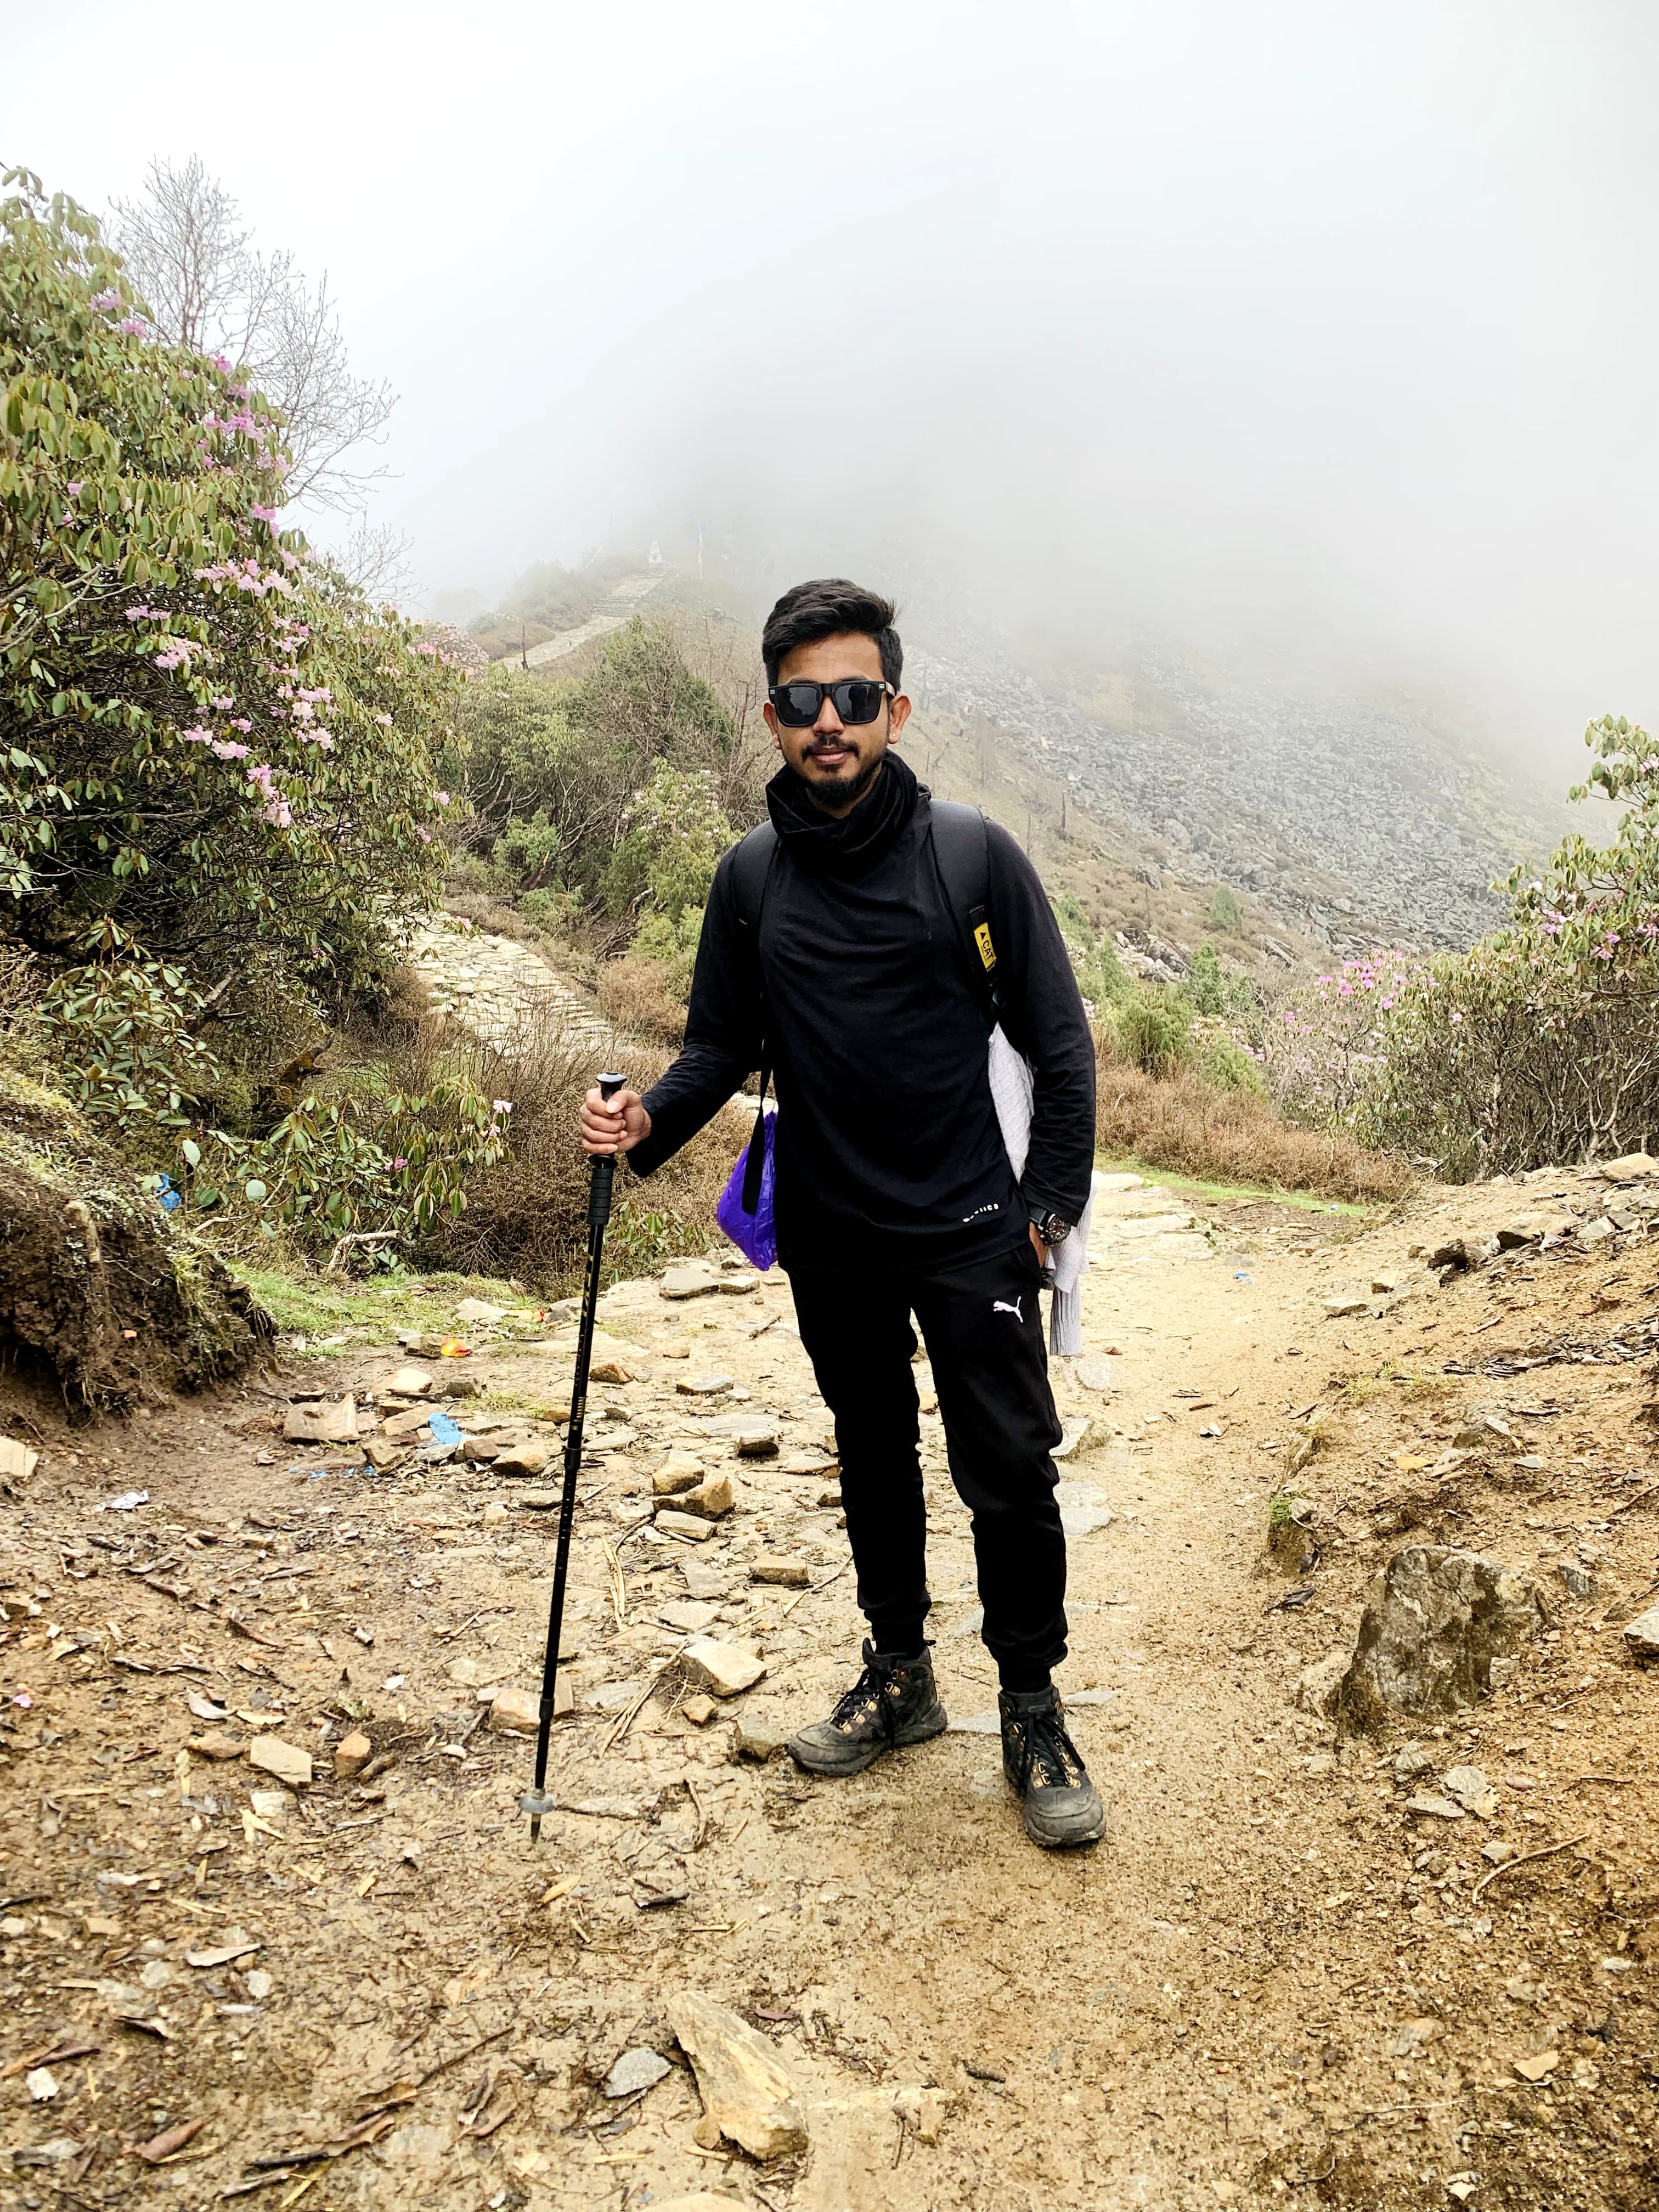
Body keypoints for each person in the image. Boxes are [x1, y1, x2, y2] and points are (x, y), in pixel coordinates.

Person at [580, 578, 1103, 1848]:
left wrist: (1051, 1207)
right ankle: (904, 1675)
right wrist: (647, 1118)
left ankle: (1031, 1705)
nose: (832, 721)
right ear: (771, 718)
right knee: (870, 1453)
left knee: (1008, 1473)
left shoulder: (972, 857)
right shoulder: (751, 878)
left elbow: (1063, 1044)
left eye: (855, 698)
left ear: (896, 708)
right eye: (806, 699)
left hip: (976, 1219)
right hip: (831, 1227)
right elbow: (719, 1049)